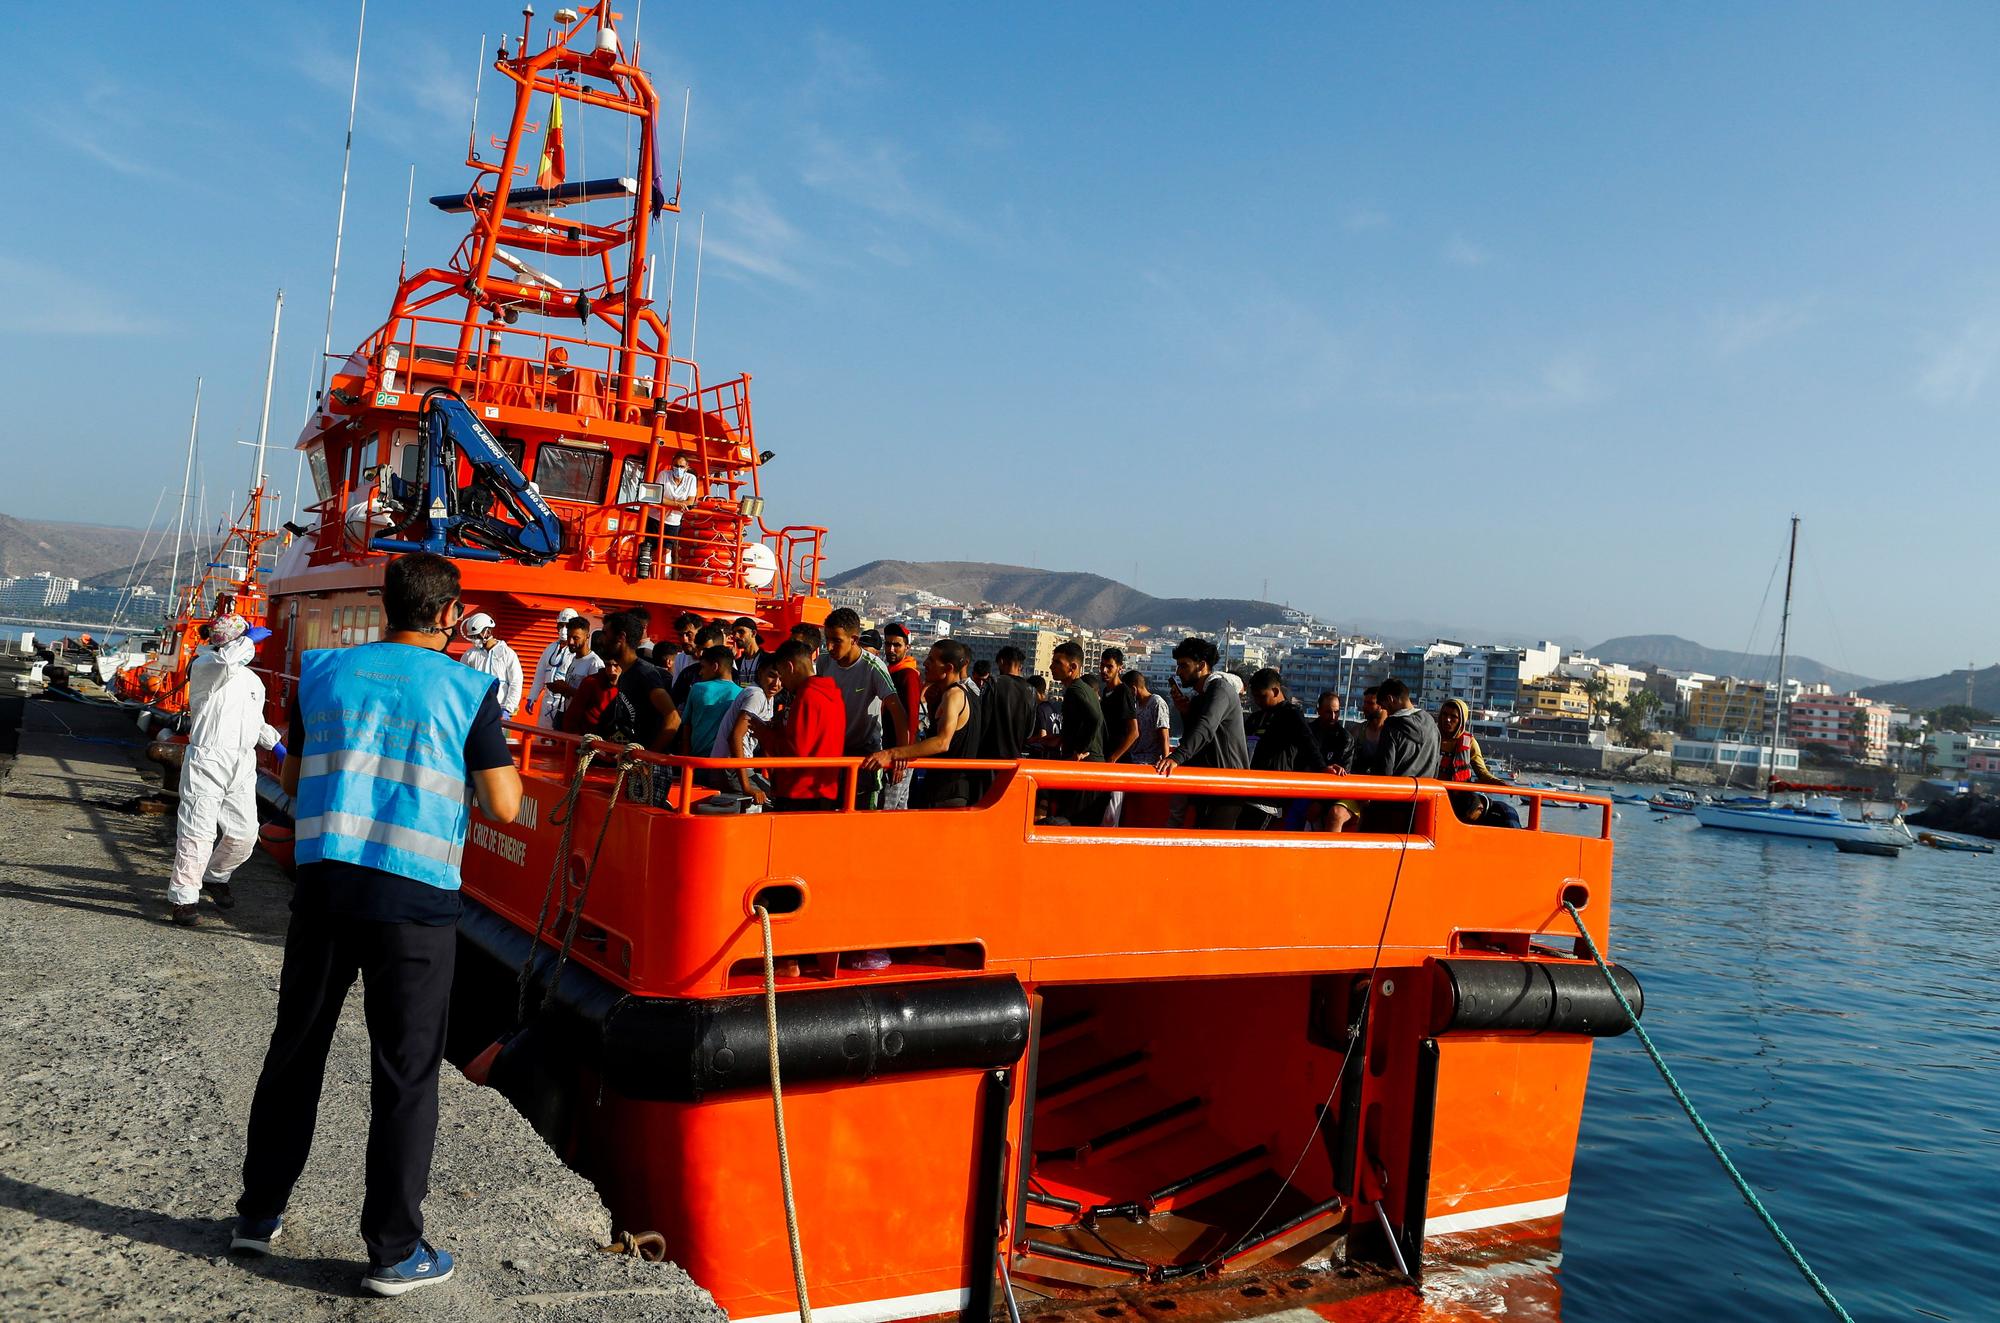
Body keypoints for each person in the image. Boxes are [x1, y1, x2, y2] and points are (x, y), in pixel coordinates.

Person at [236, 551, 522, 1297]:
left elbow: (294, 781)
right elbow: (503, 806)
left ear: (387, 602)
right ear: (450, 612)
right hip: (415, 905)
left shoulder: (326, 673)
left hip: (326, 889)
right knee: (404, 1074)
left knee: (295, 1051)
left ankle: (257, 1211)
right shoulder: (469, 689)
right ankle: (394, 1249)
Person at [166, 615, 282, 926]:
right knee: (197, 832)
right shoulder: (206, 666)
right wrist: (246, 640)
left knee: (244, 834)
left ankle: (216, 875)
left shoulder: (250, 680)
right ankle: (184, 898)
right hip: (208, 759)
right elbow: (228, 661)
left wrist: (275, 744)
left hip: (242, 763)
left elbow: (253, 720)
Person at [864, 638, 985, 808]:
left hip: (947, 792)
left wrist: (893, 754)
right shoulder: (967, 694)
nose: (925, 663)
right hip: (954, 790)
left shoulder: (954, 695)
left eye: (932, 660)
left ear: (948, 668)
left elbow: (942, 742)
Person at [815, 607, 907, 809]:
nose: (829, 646)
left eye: (836, 641)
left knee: (863, 816)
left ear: (854, 639)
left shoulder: (873, 666)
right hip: (832, 753)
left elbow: (896, 709)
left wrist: (901, 753)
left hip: (865, 757)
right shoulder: (823, 662)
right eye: (827, 639)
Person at [1155, 637, 1248, 829]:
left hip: (1226, 788)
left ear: (1201, 665)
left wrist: (1176, 757)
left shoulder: (1220, 689)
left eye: (1184, 665)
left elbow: (1206, 728)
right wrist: (1186, 713)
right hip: (1207, 786)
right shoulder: (1200, 697)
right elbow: (1198, 735)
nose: (1178, 672)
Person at [754, 639, 846, 811]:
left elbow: (796, 750)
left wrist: (764, 733)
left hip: (799, 791)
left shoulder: (807, 696)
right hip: (822, 788)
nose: (782, 683)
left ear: (790, 667)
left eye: (781, 675)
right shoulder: (832, 693)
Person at [1243, 669, 1328, 830]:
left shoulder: (1291, 714)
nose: (1258, 701)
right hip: (1251, 787)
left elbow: (1309, 743)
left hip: (1272, 794)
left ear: (1275, 691)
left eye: (1262, 696)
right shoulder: (1256, 718)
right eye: (1255, 697)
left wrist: (1323, 768)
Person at [599, 610, 680, 755]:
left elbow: (673, 718)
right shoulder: (625, 674)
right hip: (634, 761)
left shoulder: (645, 674)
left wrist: (649, 756)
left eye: (605, 633)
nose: (601, 640)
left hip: (650, 768)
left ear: (621, 637)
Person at [1365, 678, 1440, 832]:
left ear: (1391, 700)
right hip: (1423, 802)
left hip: (1395, 804)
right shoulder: (1432, 724)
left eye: (1384, 706)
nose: (1385, 711)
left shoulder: (1391, 727)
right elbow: (1436, 764)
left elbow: (1384, 770)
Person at [1046, 640, 1107, 825]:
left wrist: (1079, 749)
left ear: (1072, 667)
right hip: (1094, 767)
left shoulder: (1075, 691)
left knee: (1071, 823)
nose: (1051, 666)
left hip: (1086, 768)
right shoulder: (1085, 689)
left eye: (1057, 662)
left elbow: (1095, 718)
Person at [712, 655, 783, 803]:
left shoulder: (766, 696)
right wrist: (747, 788)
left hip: (738, 767)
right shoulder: (756, 695)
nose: (776, 684)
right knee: (772, 803)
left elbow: (765, 742)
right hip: (730, 768)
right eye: (771, 676)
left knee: (777, 795)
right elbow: (735, 736)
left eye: (781, 678)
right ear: (760, 673)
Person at [880, 624, 925, 810]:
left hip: (898, 757)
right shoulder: (894, 672)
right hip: (898, 754)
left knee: (888, 807)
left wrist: (901, 756)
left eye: (896, 645)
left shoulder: (907, 675)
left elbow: (911, 718)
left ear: (907, 648)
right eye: (888, 644)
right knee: (898, 808)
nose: (891, 649)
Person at [680, 644, 743, 760]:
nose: (700, 672)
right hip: (728, 763)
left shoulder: (697, 688)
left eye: (703, 667)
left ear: (715, 666)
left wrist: (686, 760)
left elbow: (686, 727)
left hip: (698, 761)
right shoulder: (742, 694)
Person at [978, 646, 1037, 762]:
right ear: (1020, 666)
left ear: (1001, 661)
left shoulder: (993, 683)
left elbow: (983, 719)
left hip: (989, 756)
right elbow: (1030, 731)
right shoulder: (1031, 690)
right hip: (1015, 758)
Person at [458, 611, 522, 716]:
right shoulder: (469, 655)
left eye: (476, 636)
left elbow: (516, 682)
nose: (474, 640)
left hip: (500, 711)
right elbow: (462, 681)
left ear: (487, 632)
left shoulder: (508, 654)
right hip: (476, 711)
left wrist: (508, 709)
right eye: (472, 637)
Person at [527, 607, 582, 727]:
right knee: (541, 737)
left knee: (559, 740)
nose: (563, 629)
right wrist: (532, 696)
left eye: (567, 626)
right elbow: (540, 674)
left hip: (564, 702)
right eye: (560, 625)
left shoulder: (576, 651)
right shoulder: (550, 648)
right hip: (547, 701)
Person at [542, 617, 602, 725]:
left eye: (576, 638)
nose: (570, 642)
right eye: (569, 637)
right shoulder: (575, 659)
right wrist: (561, 688)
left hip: (583, 724)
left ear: (587, 637)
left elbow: (594, 699)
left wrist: (566, 689)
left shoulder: (594, 663)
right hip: (570, 719)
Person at [560, 641, 623, 736]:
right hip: (588, 741)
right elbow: (572, 716)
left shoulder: (631, 684)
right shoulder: (591, 682)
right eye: (608, 665)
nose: (611, 670)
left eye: (616, 665)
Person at [1436, 698, 1505, 785]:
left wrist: (1498, 782)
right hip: (1432, 790)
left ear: (1461, 720)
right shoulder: (1431, 737)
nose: (1447, 719)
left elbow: (1482, 772)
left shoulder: (1469, 742)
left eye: (1454, 717)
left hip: (1459, 792)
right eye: (1445, 714)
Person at [658, 452, 701, 578]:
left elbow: (690, 501)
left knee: (667, 550)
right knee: (654, 548)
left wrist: (670, 503)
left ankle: (663, 578)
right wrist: (677, 504)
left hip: (674, 520)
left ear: (687, 467)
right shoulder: (663, 475)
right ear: (672, 465)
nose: (678, 469)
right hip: (656, 517)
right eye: (676, 466)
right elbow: (658, 496)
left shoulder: (691, 479)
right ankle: (653, 574)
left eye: (682, 466)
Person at [671, 622, 728, 712]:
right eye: (698, 648)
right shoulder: (688, 673)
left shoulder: (732, 674)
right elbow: (673, 703)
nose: (700, 654)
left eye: (705, 650)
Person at [1099, 648, 1139, 765]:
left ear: (1119, 668)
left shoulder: (1123, 692)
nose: (1104, 670)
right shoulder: (1106, 691)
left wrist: (1114, 758)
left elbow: (1134, 732)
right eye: (1102, 665)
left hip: (1119, 761)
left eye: (1109, 667)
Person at [1348, 686, 1388, 773]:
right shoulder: (1357, 731)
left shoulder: (1393, 732)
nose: (1364, 707)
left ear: (1382, 705)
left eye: (1370, 703)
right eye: (1365, 703)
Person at [1310, 691, 1353, 770]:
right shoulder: (1307, 733)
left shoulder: (1345, 738)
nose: (1333, 717)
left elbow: (1345, 770)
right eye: (1328, 712)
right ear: (1319, 711)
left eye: (1336, 712)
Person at [729, 617, 766, 685]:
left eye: (741, 631)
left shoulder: (767, 661)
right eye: (734, 633)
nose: (736, 636)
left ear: (753, 633)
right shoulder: (736, 663)